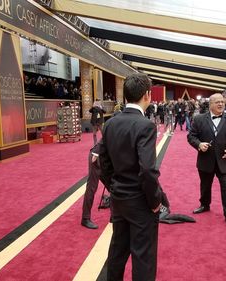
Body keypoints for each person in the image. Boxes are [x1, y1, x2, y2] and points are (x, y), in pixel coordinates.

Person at [99, 73, 163, 281]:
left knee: (118, 251)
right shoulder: (145, 126)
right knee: (143, 256)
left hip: (118, 198)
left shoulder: (110, 124)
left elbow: (103, 163)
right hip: (140, 201)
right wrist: (155, 201)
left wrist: (114, 187)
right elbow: (147, 170)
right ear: (147, 95)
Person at [188, 93, 226, 227]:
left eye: (222, 102)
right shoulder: (199, 119)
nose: (220, 104)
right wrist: (199, 145)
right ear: (210, 104)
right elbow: (191, 137)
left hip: (224, 160)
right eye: (217, 102)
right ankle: (204, 205)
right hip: (205, 160)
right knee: (205, 185)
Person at [81, 142, 105, 229]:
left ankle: (115, 215)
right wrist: (96, 153)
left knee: (112, 186)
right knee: (92, 187)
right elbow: (105, 137)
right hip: (96, 157)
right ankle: (85, 218)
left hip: (106, 159)